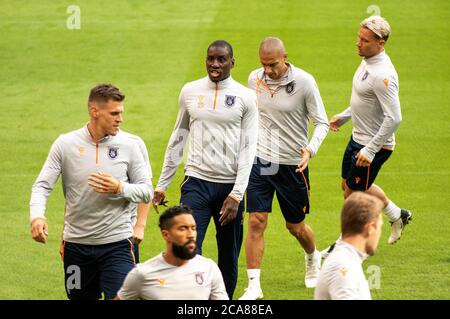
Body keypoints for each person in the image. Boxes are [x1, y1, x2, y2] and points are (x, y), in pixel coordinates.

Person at [152, 40, 258, 299]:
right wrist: (162, 184)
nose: (215, 64)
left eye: (221, 59)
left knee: (228, 255)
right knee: (187, 250)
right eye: (210, 58)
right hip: (196, 183)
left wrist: (237, 194)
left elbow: (248, 148)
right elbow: (178, 138)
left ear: (232, 62)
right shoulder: (190, 91)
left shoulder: (246, 96)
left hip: (229, 189)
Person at [30, 84, 153, 299]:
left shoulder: (129, 145)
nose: (120, 119)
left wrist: (119, 188)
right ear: (94, 111)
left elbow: (146, 191)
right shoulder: (65, 144)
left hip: (117, 245)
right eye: (114, 113)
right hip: (76, 247)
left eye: (121, 113)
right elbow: (42, 186)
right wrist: (37, 217)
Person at [239, 37, 329, 300]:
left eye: (273, 65)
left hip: (293, 164)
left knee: (296, 226)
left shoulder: (304, 82)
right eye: (264, 65)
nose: (267, 70)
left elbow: (321, 122)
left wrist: (310, 149)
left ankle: (313, 257)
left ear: (285, 57)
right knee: (256, 221)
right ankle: (254, 286)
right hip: (262, 160)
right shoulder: (254, 78)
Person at [324, 16, 412, 256]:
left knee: (353, 195)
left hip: (374, 146)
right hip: (358, 138)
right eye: (358, 38)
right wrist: (344, 116)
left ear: (381, 43)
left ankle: (345, 247)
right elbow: (363, 101)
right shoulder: (367, 61)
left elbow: (394, 118)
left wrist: (370, 150)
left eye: (364, 40)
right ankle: (398, 215)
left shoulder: (383, 76)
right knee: (348, 185)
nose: (358, 44)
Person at [116, 206, 229, 300]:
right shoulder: (142, 274)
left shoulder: (209, 268)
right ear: (166, 235)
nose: (191, 234)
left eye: (193, 228)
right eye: (183, 228)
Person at [315, 192, 384, 300]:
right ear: (370, 229)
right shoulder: (342, 265)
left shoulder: (347, 259)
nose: (379, 235)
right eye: (380, 228)